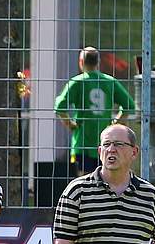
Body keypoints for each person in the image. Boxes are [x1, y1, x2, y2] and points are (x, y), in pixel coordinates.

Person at [53, 47, 134, 176]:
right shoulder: (109, 81)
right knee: (104, 179)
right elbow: (129, 105)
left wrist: (70, 123)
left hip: (82, 143)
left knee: (82, 181)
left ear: (81, 62)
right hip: (105, 143)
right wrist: (116, 122)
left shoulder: (77, 82)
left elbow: (59, 107)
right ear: (98, 62)